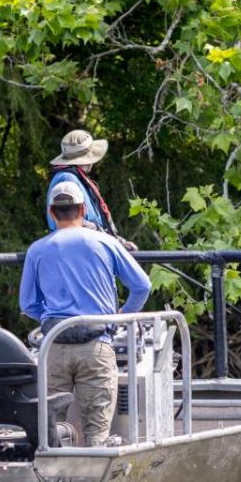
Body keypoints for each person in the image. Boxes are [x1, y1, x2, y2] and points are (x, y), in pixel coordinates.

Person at [20, 181, 152, 446]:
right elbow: (142, 286)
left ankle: (53, 479)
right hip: (97, 345)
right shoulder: (105, 242)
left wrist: (52, 319)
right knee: (97, 433)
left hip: (53, 347)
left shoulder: (37, 249)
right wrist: (121, 315)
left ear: (51, 212)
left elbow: (28, 304)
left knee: (49, 429)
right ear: (83, 209)